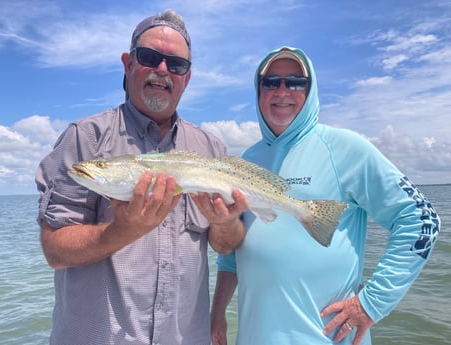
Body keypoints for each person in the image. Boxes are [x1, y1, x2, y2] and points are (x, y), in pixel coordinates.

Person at [35, 9, 247, 345]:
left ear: (187, 78)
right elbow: (54, 250)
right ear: (128, 64)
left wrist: (225, 223)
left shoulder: (211, 148)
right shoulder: (84, 138)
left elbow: (226, 244)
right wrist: (121, 231)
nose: (162, 70)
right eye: (149, 57)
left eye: (176, 64)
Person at [210, 46, 441, 345]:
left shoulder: (344, 147)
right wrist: (217, 316)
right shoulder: (244, 159)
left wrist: (370, 303)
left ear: (311, 89)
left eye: (295, 81)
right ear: (258, 90)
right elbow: (231, 255)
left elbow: (421, 218)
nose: (282, 91)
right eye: (271, 82)